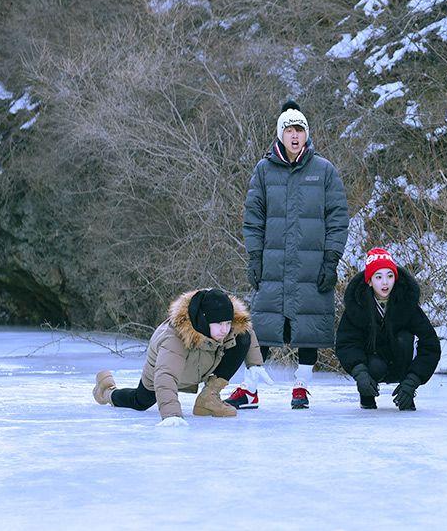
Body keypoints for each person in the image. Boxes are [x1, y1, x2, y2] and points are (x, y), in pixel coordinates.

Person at [226, 101, 349, 410]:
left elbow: (338, 218)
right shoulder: (264, 170)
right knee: (264, 328)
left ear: (307, 135)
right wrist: (255, 258)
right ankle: (250, 388)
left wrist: (331, 260)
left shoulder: (324, 170)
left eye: (300, 130)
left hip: (312, 264)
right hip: (273, 264)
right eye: (290, 130)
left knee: (308, 327)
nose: (295, 136)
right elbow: (252, 218)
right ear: (280, 134)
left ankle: (302, 387)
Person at [92, 288, 262, 426]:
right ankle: (107, 391)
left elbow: (245, 329)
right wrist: (171, 414)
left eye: (227, 323)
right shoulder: (174, 338)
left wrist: (255, 364)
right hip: (163, 373)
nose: (224, 329)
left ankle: (208, 399)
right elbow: (165, 376)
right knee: (140, 401)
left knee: (242, 336)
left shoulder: (225, 330)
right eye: (219, 324)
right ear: (203, 320)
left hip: (202, 363)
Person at [336, 248, 441, 410]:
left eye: (389, 276)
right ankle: (367, 394)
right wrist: (360, 373)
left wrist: (413, 380)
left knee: (404, 337)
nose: (385, 283)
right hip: (373, 364)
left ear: (395, 278)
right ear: (369, 281)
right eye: (378, 277)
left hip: (401, 361)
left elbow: (430, 345)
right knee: (374, 365)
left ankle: (405, 393)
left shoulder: (407, 303)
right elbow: (346, 343)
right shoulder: (357, 304)